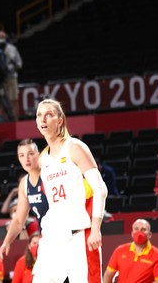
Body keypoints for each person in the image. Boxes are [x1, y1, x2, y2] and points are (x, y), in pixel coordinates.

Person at [32, 98, 107, 283]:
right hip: (51, 237)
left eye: (49, 115)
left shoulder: (75, 147)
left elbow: (100, 189)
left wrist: (96, 228)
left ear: (60, 120)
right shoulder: (43, 159)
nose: (43, 119)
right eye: (39, 115)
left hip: (78, 236)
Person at [0, 139, 48, 261]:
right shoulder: (24, 183)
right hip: (47, 238)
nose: (26, 159)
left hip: (66, 236)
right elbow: (19, 220)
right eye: (22, 155)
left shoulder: (49, 175)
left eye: (30, 153)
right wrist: (6, 242)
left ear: (38, 154)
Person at [103, 218, 158, 283]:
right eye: (136, 229)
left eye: (143, 229)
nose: (139, 232)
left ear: (149, 235)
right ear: (132, 233)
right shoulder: (120, 250)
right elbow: (108, 276)